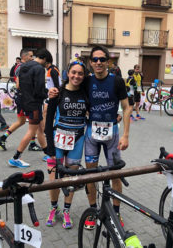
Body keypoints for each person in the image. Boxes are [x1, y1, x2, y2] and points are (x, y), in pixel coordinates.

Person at [50, 45, 130, 229]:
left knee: (116, 174)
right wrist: (55, 92)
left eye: (102, 59)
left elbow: (127, 107)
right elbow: (71, 87)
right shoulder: (86, 80)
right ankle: (93, 212)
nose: (99, 63)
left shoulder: (117, 81)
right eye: (95, 60)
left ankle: (116, 214)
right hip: (91, 134)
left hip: (113, 134)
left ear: (108, 61)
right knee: (90, 175)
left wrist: (126, 135)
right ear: (91, 62)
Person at [44, 61, 89, 229]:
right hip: (58, 140)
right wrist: (49, 146)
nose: (76, 76)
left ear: (84, 76)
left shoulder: (85, 94)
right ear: (67, 73)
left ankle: (66, 211)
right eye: (73, 72)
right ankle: (53, 207)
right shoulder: (58, 93)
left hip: (77, 139)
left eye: (80, 73)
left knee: (70, 179)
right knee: (54, 178)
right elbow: (48, 121)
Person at [0, 49, 41, 151]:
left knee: (22, 121)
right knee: (32, 121)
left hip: (21, 98)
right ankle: (32, 144)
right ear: (24, 57)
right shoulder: (22, 68)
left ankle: (2, 138)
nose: (32, 58)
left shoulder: (22, 67)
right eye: (30, 56)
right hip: (24, 99)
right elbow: (18, 85)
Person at [8, 50, 47, 168]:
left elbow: (19, 86)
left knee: (40, 128)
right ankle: (16, 157)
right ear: (45, 59)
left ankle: (48, 153)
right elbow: (39, 89)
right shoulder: (39, 68)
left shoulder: (23, 66)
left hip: (26, 101)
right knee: (31, 131)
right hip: (34, 104)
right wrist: (47, 94)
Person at [36, 48, 62, 161]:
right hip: (51, 97)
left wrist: (55, 95)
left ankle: (51, 149)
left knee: (48, 118)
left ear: (45, 59)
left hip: (54, 98)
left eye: (39, 58)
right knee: (45, 115)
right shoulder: (49, 70)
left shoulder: (53, 70)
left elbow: (57, 85)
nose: (36, 60)